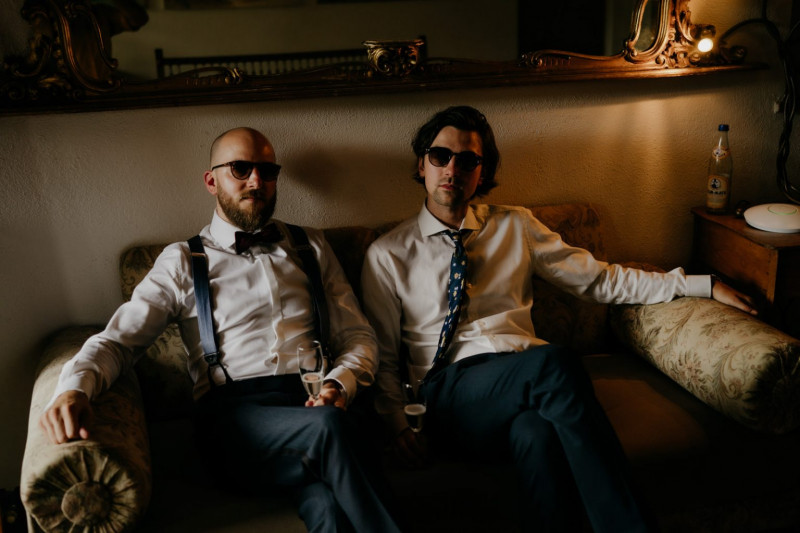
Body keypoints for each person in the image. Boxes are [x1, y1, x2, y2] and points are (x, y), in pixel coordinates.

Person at [360, 106, 757, 533]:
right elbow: (383, 357)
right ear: (422, 164)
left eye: (467, 160)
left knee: (536, 434)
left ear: (482, 171)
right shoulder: (387, 254)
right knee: (554, 364)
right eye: (440, 156)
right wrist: (399, 426)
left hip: (524, 379)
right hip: (449, 392)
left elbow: (599, 280)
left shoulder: (515, 225)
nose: (452, 169)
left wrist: (702, 284)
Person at [40, 127, 402, 533]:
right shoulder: (182, 261)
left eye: (267, 171)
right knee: (333, 430)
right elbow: (119, 343)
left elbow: (358, 336)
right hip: (237, 421)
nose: (256, 181)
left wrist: (340, 384)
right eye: (240, 169)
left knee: (328, 505)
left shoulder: (311, 246)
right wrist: (74, 388)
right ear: (211, 181)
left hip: (316, 402)